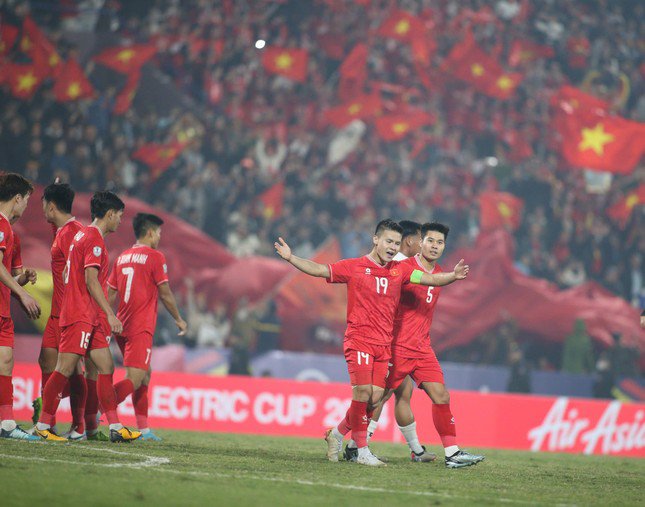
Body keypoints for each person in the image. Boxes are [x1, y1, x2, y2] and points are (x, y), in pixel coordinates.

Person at [274, 219, 469, 466]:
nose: (392, 247)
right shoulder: (355, 266)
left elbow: (430, 280)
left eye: (396, 243)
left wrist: (453, 276)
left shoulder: (400, 270)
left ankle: (336, 434)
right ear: (376, 239)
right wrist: (292, 258)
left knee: (375, 398)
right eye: (388, 241)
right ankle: (362, 450)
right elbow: (321, 269)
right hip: (360, 340)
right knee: (364, 393)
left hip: (384, 345)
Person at [348, 222, 484, 468]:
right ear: (421, 243)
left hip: (422, 348)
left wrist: (452, 276)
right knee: (376, 398)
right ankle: (353, 445)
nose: (434, 246)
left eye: (440, 242)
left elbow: (436, 285)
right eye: (430, 241)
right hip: (397, 346)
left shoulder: (439, 272)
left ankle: (452, 453)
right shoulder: (403, 268)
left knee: (441, 395)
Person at [35, 191, 141, 443]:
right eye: (119, 216)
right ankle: (42, 425)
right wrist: (110, 314)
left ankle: (115, 427)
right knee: (64, 368)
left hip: (87, 315)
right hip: (80, 314)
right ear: (110, 214)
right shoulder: (93, 238)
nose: (120, 221)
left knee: (106, 366)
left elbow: (66, 274)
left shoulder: (81, 235)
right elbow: (91, 280)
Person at [345, 220, 436, 462]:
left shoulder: (400, 265)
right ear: (411, 241)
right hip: (389, 341)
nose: (423, 245)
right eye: (421, 240)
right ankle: (355, 444)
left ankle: (416, 450)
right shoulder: (396, 265)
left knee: (401, 392)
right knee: (379, 395)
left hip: (400, 341)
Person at [107, 213, 187, 441]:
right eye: (159, 233)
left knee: (145, 375)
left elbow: (110, 293)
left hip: (122, 325)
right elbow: (165, 293)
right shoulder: (155, 257)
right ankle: (100, 406)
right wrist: (178, 319)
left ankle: (143, 430)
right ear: (150, 232)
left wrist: (108, 318)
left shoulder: (122, 257)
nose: (160, 237)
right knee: (135, 377)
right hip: (140, 326)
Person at [30, 182, 86, 437]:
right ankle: (49, 424)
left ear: (51, 206)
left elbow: (86, 274)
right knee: (46, 362)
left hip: (71, 314)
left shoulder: (77, 233)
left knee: (72, 370)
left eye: (44, 204)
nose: (42, 209)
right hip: (56, 313)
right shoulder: (62, 230)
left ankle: (79, 424)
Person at [0, 173, 41, 441]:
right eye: (26, 199)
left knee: (5, 362)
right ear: (17, 198)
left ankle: (6, 424)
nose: (26, 206)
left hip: (3, 310)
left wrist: (22, 280)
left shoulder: (11, 233)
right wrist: (24, 295)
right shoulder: (1, 225)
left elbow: (8, 277)